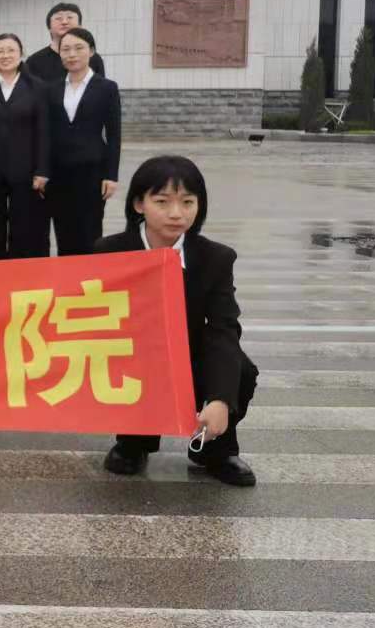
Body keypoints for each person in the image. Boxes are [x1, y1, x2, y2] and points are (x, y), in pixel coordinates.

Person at [96, 156, 258, 487]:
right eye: (162, 202)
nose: (176, 213)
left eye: (187, 202)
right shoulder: (109, 252)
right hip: (132, 351)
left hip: (190, 351)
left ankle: (215, 448)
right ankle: (133, 443)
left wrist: (219, 398)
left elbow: (224, 328)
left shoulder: (216, 258)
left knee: (239, 369)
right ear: (139, 204)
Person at [45, 26, 121, 255]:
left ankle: (90, 274)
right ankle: (66, 273)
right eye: (66, 49)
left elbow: (114, 134)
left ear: (92, 51)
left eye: (78, 48)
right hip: (59, 172)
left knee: (90, 230)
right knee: (63, 229)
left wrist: (111, 175)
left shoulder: (107, 88)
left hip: (92, 171)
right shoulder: (52, 88)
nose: (72, 54)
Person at [0, 33, 50, 259]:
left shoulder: (37, 87)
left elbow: (44, 131)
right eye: (0, 51)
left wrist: (42, 169)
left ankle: (21, 271)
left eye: (11, 50)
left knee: (24, 227)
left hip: (26, 170)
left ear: (21, 54)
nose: (5, 55)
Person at [25, 2, 106, 84]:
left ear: (80, 26)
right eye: (58, 18)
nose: (64, 22)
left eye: (70, 17)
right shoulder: (34, 61)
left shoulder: (92, 58)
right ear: (49, 27)